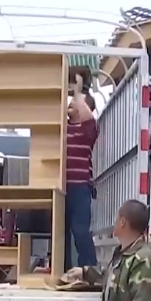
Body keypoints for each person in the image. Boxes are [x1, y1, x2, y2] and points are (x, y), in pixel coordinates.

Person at [65, 74, 99, 269]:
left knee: (80, 231)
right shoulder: (62, 128)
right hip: (61, 188)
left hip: (80, 188)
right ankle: (63, 270)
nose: (72, 102)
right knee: (61, 233)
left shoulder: (88, 130)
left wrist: (78, 91)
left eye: (77, 102)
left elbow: (88, 117)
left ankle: (89, 268)